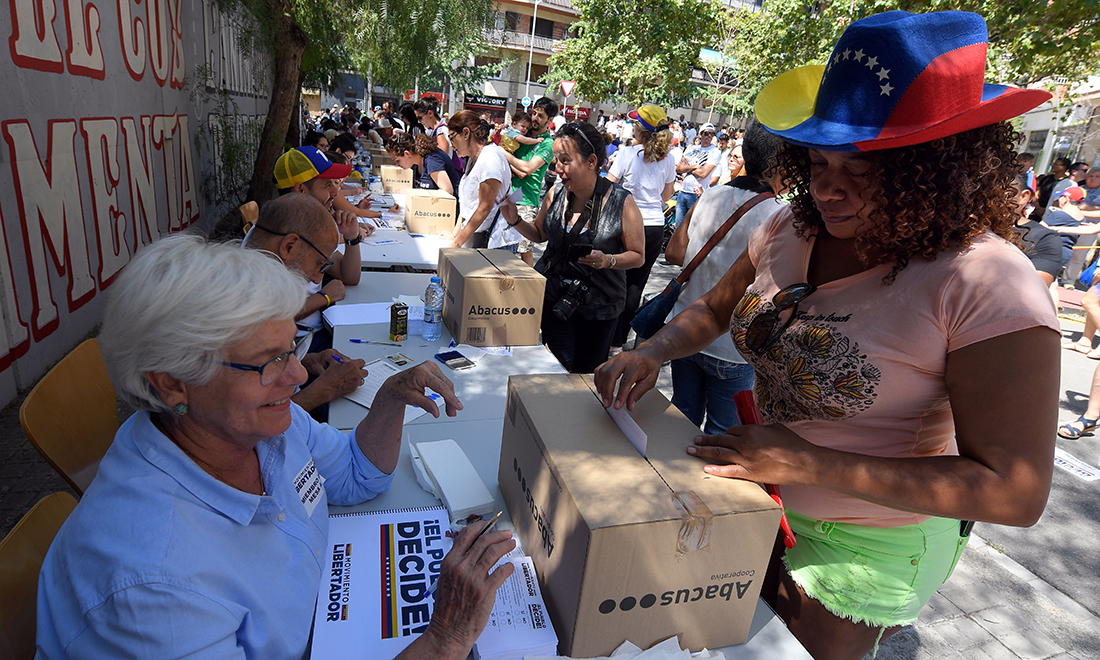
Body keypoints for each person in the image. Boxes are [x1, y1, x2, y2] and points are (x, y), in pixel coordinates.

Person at [595, 11, 1058, 659]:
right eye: (816, 161)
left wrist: (808, 463)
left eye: (862, 169)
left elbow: (1015, 489)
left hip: (869, 543)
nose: (827, 188)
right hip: (763, 493)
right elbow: (714, 311)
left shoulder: (986, 283)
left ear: (937, 167)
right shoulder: (791, 226)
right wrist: (652, 349)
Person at [35, 234, 517, 660]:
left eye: (291, 348)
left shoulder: (250, 427)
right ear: (172, 385)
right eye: (267, 361)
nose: (298, 375)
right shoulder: (152, 584)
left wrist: (389, 400)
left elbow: (355, 475)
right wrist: (445, 641)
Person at [661, 121, 786, 434]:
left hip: (685, 330)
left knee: (681, 420)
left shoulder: (710, 196)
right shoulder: (778, 217)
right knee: (722, 433)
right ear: (780, 164)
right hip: (733, 348)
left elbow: (674, 254)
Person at [504, 122, 645, 373]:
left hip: (599, 308)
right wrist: (514, 219)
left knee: (586, 377)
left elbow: (638, 256)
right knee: (555, 371)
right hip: (555, 302)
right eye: (556, 159)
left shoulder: (622, 201)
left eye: (565, 160)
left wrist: (608, 260)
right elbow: (539, 234)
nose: (557, 168)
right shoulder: (555, 194)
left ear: (591, 161)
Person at [243, 194, 369, 414]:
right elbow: (255, 420)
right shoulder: (243, 308)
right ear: (290, 245)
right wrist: (323, 391)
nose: (316, 279)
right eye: (320, 265)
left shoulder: (258, 280)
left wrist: (310, 360)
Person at [605, 104, 677, 356]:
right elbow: (667, 195)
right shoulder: (669, 158)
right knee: (636, 286)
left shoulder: (626, 154)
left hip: (627, 224)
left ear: (640, 129)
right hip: (654, 226)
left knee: (614, 281)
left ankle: (606, 336)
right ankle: (618, 342)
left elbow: (608, 186)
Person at [447, 110, 520, 250]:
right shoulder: (473, 159)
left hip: (496, 242)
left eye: (452, 137)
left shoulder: (489, 158)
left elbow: (484, 207)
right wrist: (455, 235)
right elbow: (468, 206)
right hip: (478, 239)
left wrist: (456, 243)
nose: (451, 144)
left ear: (466, 133)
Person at [505, 97, 559, 266]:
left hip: (526, 200)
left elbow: (527, 169)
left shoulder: (548, 144)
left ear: (550, 120)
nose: (534, 118)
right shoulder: (523, 133)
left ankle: (530, 289)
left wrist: (505, 156)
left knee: (525, 250)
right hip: (507, 195)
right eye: (534, 113)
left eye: (540, 116)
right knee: (502, 247)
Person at [672, 123, 721, 229]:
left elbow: (704, 173)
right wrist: (695, 167)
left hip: (696, 194)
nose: (709, 136)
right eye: (706, 133)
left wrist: (688, 167)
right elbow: (678, 168)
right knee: (678, 228)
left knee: (692, 229)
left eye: (712, 134)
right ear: (700, 135)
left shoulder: (714, 151)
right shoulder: (692, 148)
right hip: (683, 191)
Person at [386, 132, 461, 196]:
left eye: (398, 161)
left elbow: (447, 191)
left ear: (407, 154)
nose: (396, 164)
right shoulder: (416, 162)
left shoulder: (432, 160)